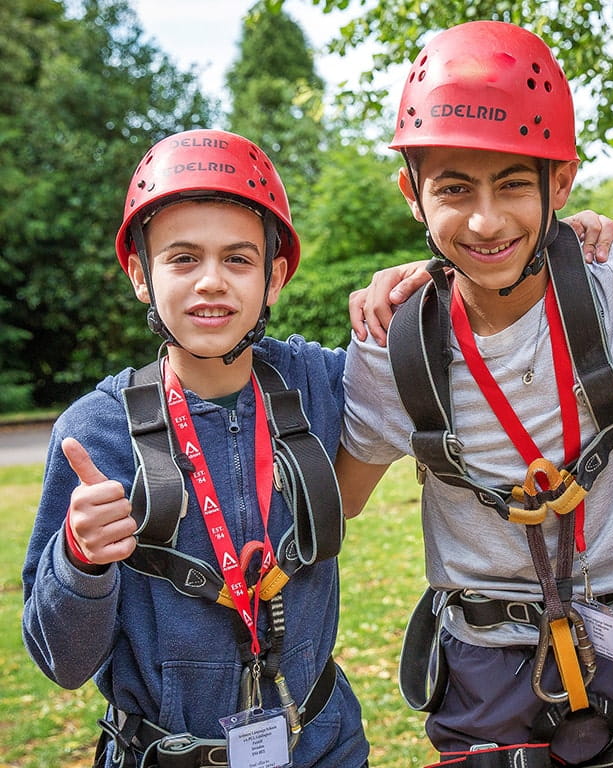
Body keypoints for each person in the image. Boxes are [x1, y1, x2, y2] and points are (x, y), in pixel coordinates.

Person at [335, 20, 613, 767]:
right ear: (413, 195)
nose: (485, 219)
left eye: (513, 184)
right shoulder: (394, 342)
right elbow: (340, 502)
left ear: (560, 183)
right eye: (453, 189)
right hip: (482, 663)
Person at [21, 129, 369, 768]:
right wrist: (80, 560)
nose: (212, 281)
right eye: (183, 259)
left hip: (321, 746)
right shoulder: (95, 433)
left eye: (238, 259)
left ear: (275, 277)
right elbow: (64, 663)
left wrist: (421, 282)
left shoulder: (319, 383)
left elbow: (440, 337)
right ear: (140, 275)